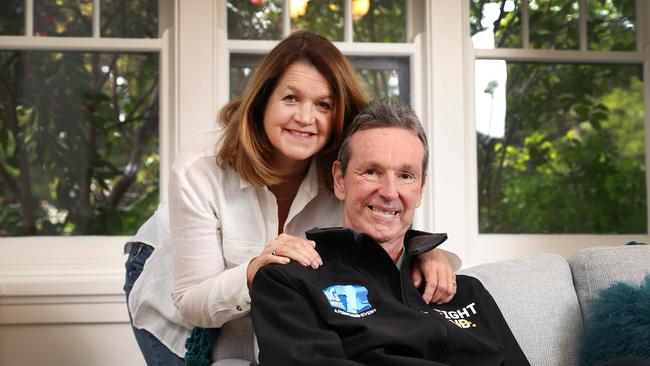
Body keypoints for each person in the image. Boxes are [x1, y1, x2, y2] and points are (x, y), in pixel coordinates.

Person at [124, 31, 461, 365]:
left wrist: (427, 254)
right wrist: (255, 272)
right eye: (290, 98)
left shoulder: (351, 170)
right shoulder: (200, 167)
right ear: (262, 100)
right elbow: (191, 300)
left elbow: (387, 225)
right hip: (175, 287)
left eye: (323, 105)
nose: (304, 117)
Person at [251, 99, 530, 365]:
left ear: (419, 190)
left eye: (406, 176)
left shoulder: (466, 292)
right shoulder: (290, 282)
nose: (388, 192)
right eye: (372, 171)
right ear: (340, 180)